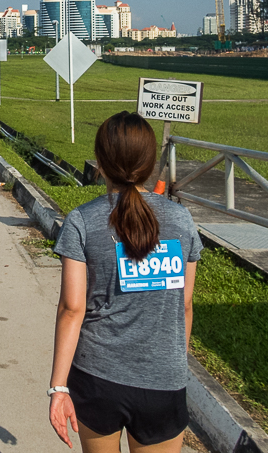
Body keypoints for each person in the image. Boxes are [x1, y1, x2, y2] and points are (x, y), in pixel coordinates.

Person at [49, 111, 201, 452]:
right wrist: (172, 363)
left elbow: (72, 310)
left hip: (97, 378)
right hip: (164, 382)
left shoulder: (81, 222)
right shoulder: (181, 220)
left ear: (100, 163)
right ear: (150, 165)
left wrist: (58, 388)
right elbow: (185, 304)